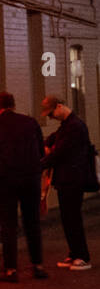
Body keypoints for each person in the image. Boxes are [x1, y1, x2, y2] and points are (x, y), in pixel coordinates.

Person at [0, 92, 47, 282]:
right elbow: (41, 150)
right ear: (14, 105)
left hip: (5, 179)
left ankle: (11, 269)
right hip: (30, 177)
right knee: (32, 222)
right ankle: (38, 265)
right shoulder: (30, 122)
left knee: (8, 224)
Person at [41, 95, 93, 271]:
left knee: (72, 217)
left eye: (51, 113)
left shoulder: (74, 127)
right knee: (69, 218)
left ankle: (82, 256)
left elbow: (60, 152)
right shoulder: (69, 126)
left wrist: (40, 165)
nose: (51, 117)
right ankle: (75, 253)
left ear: (60, 106)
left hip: (72, 179)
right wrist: (48, 142)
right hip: (68, 179)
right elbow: (55, 139)